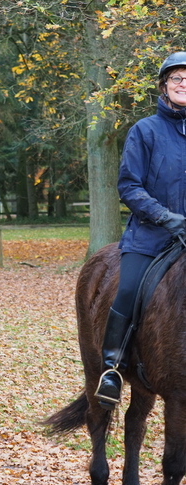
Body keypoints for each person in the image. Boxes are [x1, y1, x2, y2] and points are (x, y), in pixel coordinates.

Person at [94, 51, 186, 410]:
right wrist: (165, 217)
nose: (183, 85)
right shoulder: (144, 131)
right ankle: (112, 368)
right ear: (164, 86)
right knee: (128, 290)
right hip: (151, 236)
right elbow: (130, 186)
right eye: (177, 79)